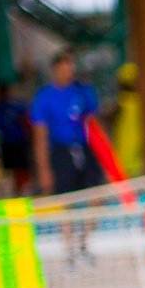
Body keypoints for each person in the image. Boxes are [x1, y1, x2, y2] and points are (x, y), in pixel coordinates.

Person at [30, 50, 101, 196]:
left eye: (70, 68)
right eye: (63, 69)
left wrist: (105, 158)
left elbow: (95, 124)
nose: (67, 73)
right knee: (66, 195)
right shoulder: (44, 97)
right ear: (54, 71)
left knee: (93, 193)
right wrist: (44, 170)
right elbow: (40, 136)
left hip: (85, 150)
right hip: (61, 153)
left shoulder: (82, 91)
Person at [0, 84, 33, 196]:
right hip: (8, 142)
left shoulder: (16, 106)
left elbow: (26, 121)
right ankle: (16, 191)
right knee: (12, 170)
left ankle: (21, 190)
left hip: (17, 141)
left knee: (20, 169)